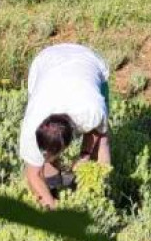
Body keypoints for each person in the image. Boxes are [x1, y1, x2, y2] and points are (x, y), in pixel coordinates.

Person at [18, 43, 111, 209]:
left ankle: (99, 195)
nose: (44, 156)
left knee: (102, 142)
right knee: (41, 169)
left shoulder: (91, 110)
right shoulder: (31, 127)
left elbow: (97, 131)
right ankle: (53, 187)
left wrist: (85, 154)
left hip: (87, 62)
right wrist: (53, 208)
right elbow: (33, 174)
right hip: (46, 62)